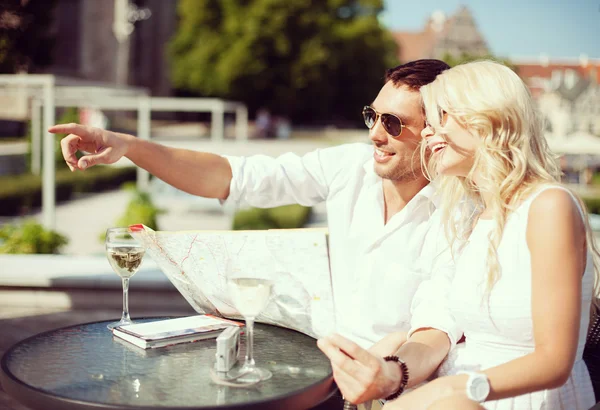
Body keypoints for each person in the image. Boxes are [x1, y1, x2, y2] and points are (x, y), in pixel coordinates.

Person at [50, 59, 455, 408]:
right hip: (322, 375)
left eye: (393, 123)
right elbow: (233, 177)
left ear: (435, 133)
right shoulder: (349, 166)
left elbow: (440, 324)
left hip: (408, 390)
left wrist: (384, 373)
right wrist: (128, 146)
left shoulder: (461, 208)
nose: (374, 134)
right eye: (373, 116)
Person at [320, 60, 599, 410]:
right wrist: (384, 365)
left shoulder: (548, 206)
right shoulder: (473, 217)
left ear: (486, 120)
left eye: (441, 117)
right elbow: (437, 321)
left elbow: (555, 362)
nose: (426, 132)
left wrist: (455, 391)